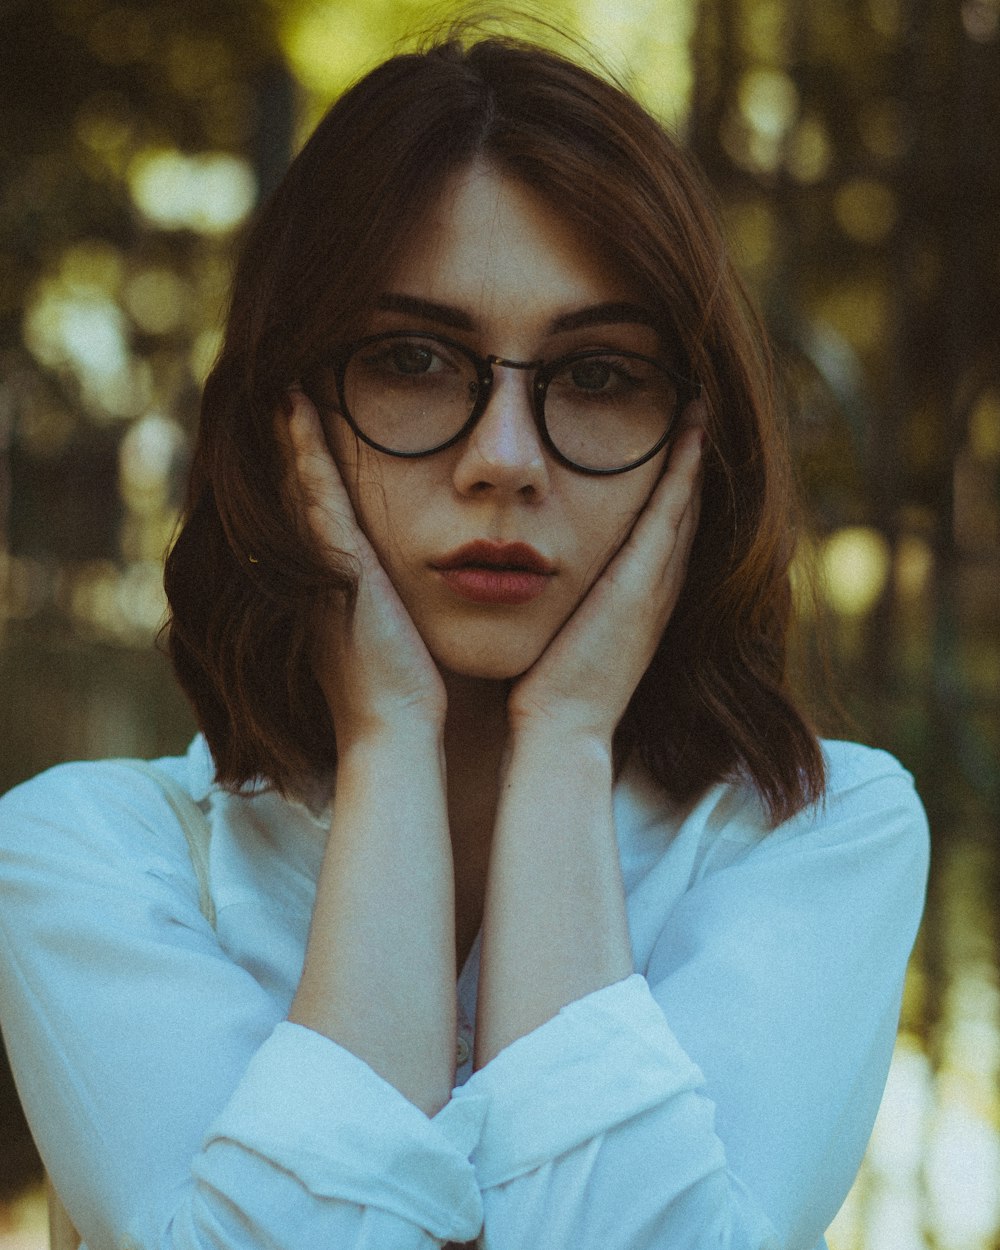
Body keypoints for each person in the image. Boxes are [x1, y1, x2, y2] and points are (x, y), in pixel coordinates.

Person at [0, 25, 928, 1250]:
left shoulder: (817, 834)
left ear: (700, 445)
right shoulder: (97, 859)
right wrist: (387, 739)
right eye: (412, 360)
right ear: (286, 410)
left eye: (598, 376)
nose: (504, 459)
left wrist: (565, 740)